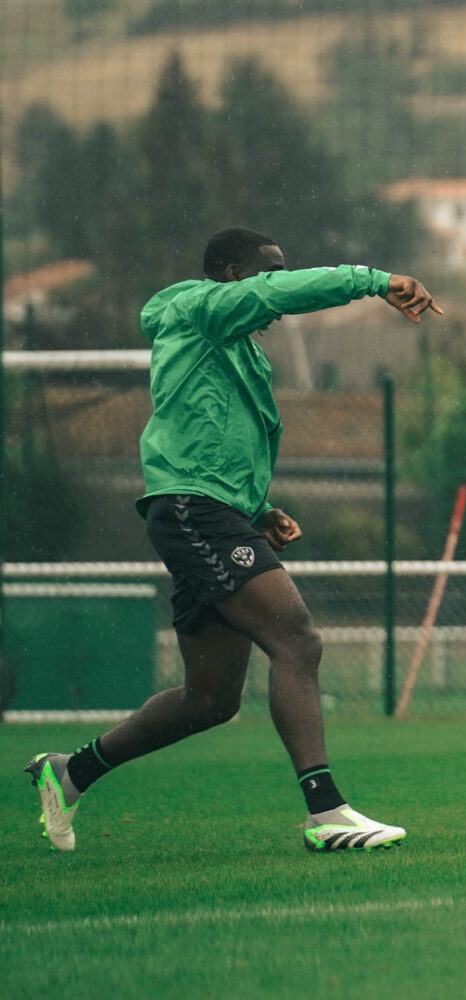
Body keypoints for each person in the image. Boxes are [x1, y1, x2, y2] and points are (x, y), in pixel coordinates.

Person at [24, 227, 441, 852]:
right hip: (193, 510)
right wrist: (377, 281)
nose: (273, 284)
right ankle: (326, 815)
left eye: (280, 271)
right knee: (296, 639)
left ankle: (70, 772)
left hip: (212, 512)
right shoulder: (200, 310)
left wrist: (260, 510)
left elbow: (212, 435)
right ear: (228, 275)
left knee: (210, 700)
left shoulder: (239, 347)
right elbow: (274, 302)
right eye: (264, 273)